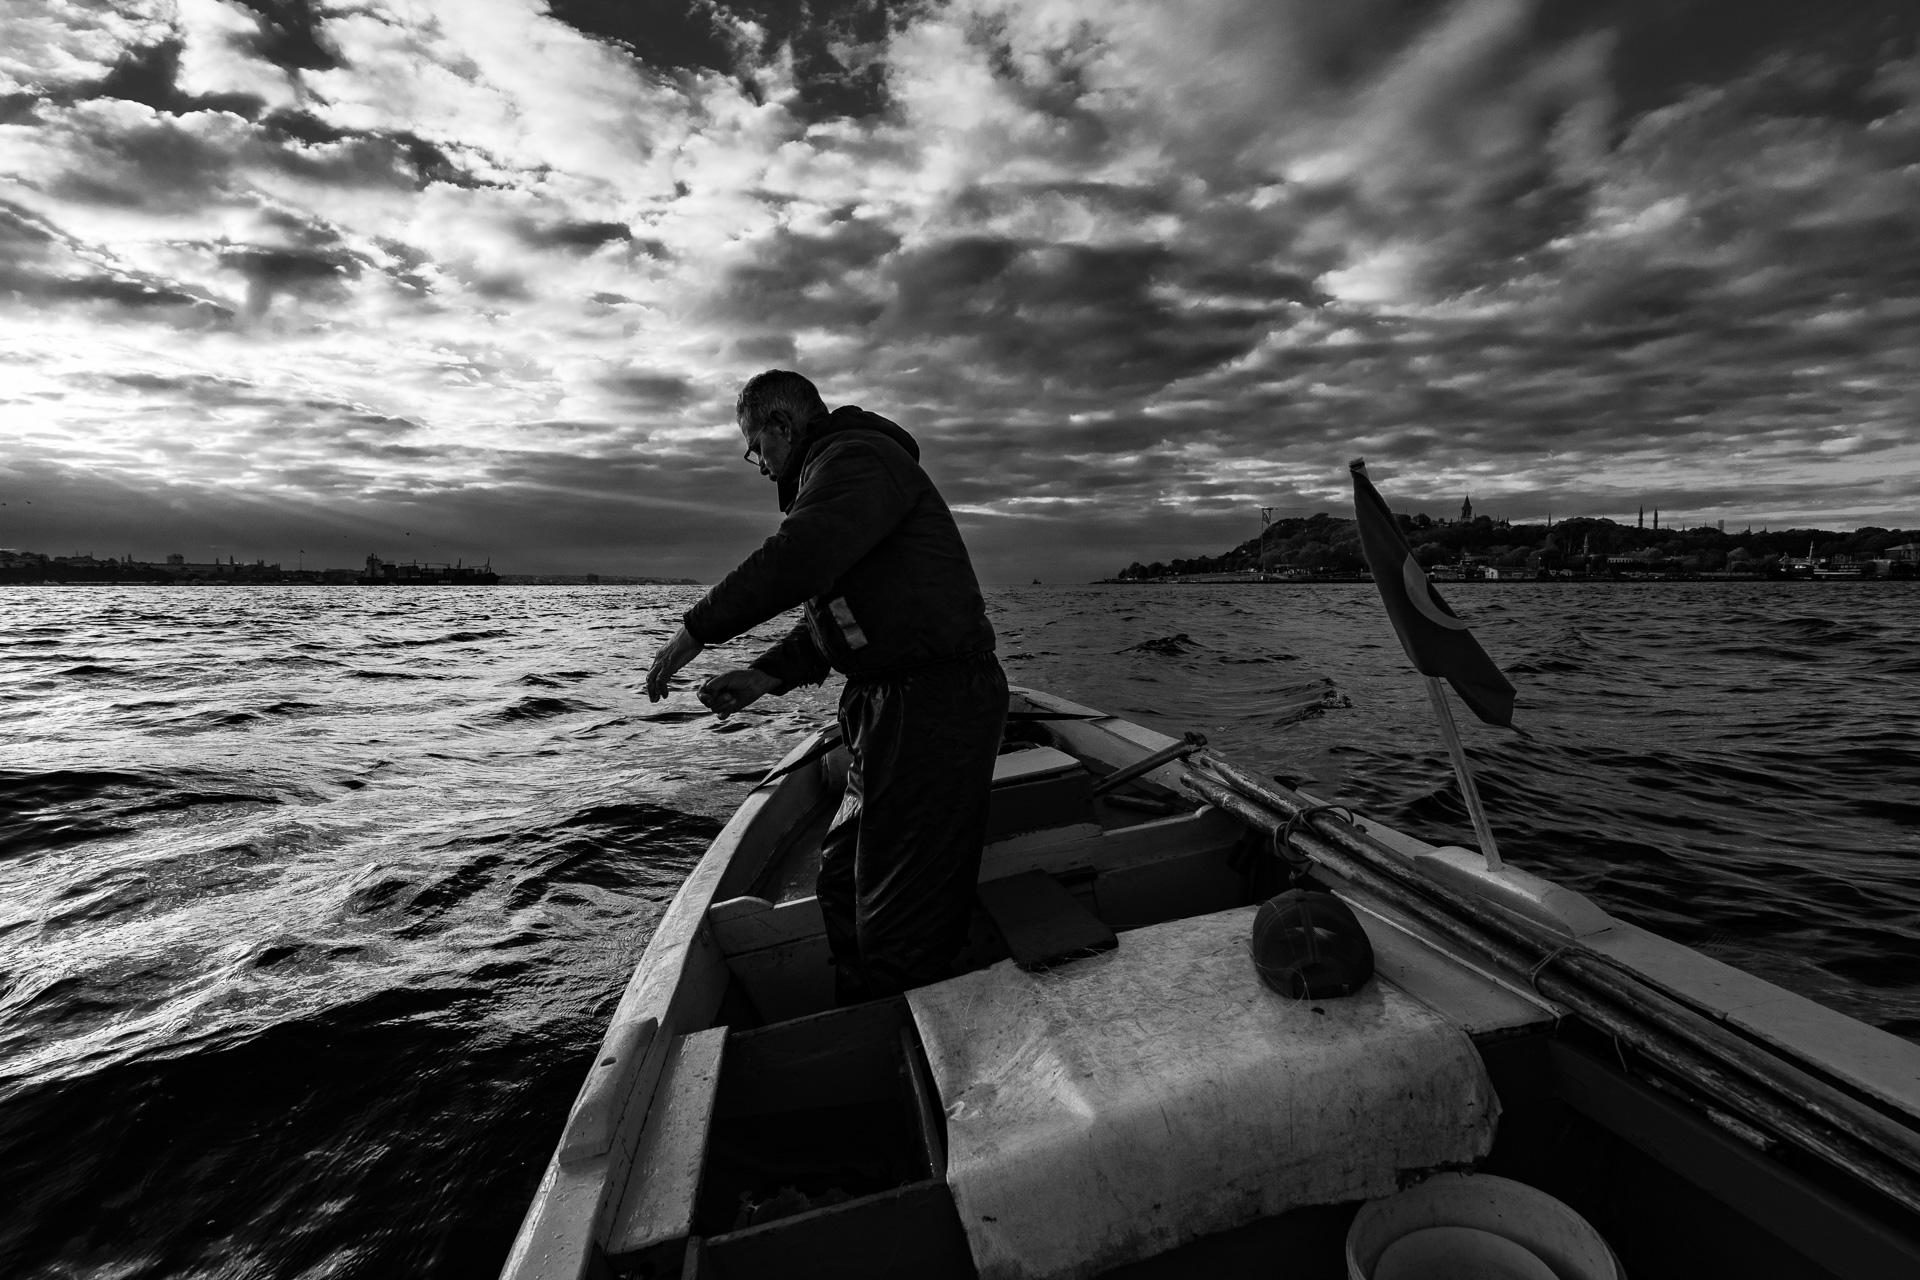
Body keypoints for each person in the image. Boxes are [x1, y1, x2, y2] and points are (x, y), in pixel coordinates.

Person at [645, 370, 1007, 1004]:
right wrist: (765, 674)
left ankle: (912, 1041)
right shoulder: (837, 480)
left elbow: (798, 556)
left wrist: (696, 631)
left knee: (902, 917)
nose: (757, 465)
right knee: (841, 876)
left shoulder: (858, 460)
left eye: (756, 446)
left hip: (932, 703)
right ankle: (862, 1009)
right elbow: (840, 618)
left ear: (784, 427)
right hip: (883, 707)